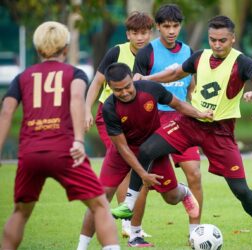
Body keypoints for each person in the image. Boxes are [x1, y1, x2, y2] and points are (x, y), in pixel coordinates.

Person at [115, 15, 252, 250]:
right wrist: (146, 79)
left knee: (241, 191)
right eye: (212, 40)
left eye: (222, 40)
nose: (217, 45)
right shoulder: (200, 56)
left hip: (220, 132)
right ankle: (128, 203)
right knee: (146, 149)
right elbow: (176, 73)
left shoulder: (243, 62)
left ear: (233, 39)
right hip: (190, 122)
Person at [0, 21, 120, 250]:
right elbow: (76, 99)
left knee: (21, 211)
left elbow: (6, 112)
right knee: (100, 206)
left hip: (30, 152)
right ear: (66, 48)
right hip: (65, 151)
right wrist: (78, 139)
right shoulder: (74, 73)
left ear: (37, 49)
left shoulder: (22, 77)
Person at [101, 62, 212, 247]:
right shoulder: (109, 108)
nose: (125, 92)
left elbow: (178, 105)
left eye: (128, 86)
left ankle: (184, 192)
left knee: (171, 198)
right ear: (110, 88)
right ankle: (135, 235)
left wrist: (199, 113)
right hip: (128, 151)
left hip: (153, 150)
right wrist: (142, 173)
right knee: (134, 188)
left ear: (133, 80)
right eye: (118, 90)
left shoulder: (151, 89)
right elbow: (122, 147)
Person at [77, 12, 154, 249]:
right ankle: (128, 225)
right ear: (128, 34)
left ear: (150, 32)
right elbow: (98, 82)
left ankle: (129, 224)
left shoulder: (153, 55)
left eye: (144, 32)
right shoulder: (116, 52)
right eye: (135, 33)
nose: (140, 37)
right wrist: (86, 110)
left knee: (137, 171)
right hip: (109, 117)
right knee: (127, 166)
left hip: (137, 120)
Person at [130, 3, 203, 240]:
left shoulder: (189, 51)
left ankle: (196, 234)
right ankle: (135, 233)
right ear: (158, 27)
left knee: (195, 173)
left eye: (175, 26)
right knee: (146, 182)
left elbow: (191, 87)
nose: (172, 31)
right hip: (154, 121)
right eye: (166, 26)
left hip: (182, 119)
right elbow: (136, 90)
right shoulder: (146, 53)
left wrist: (198, 111)